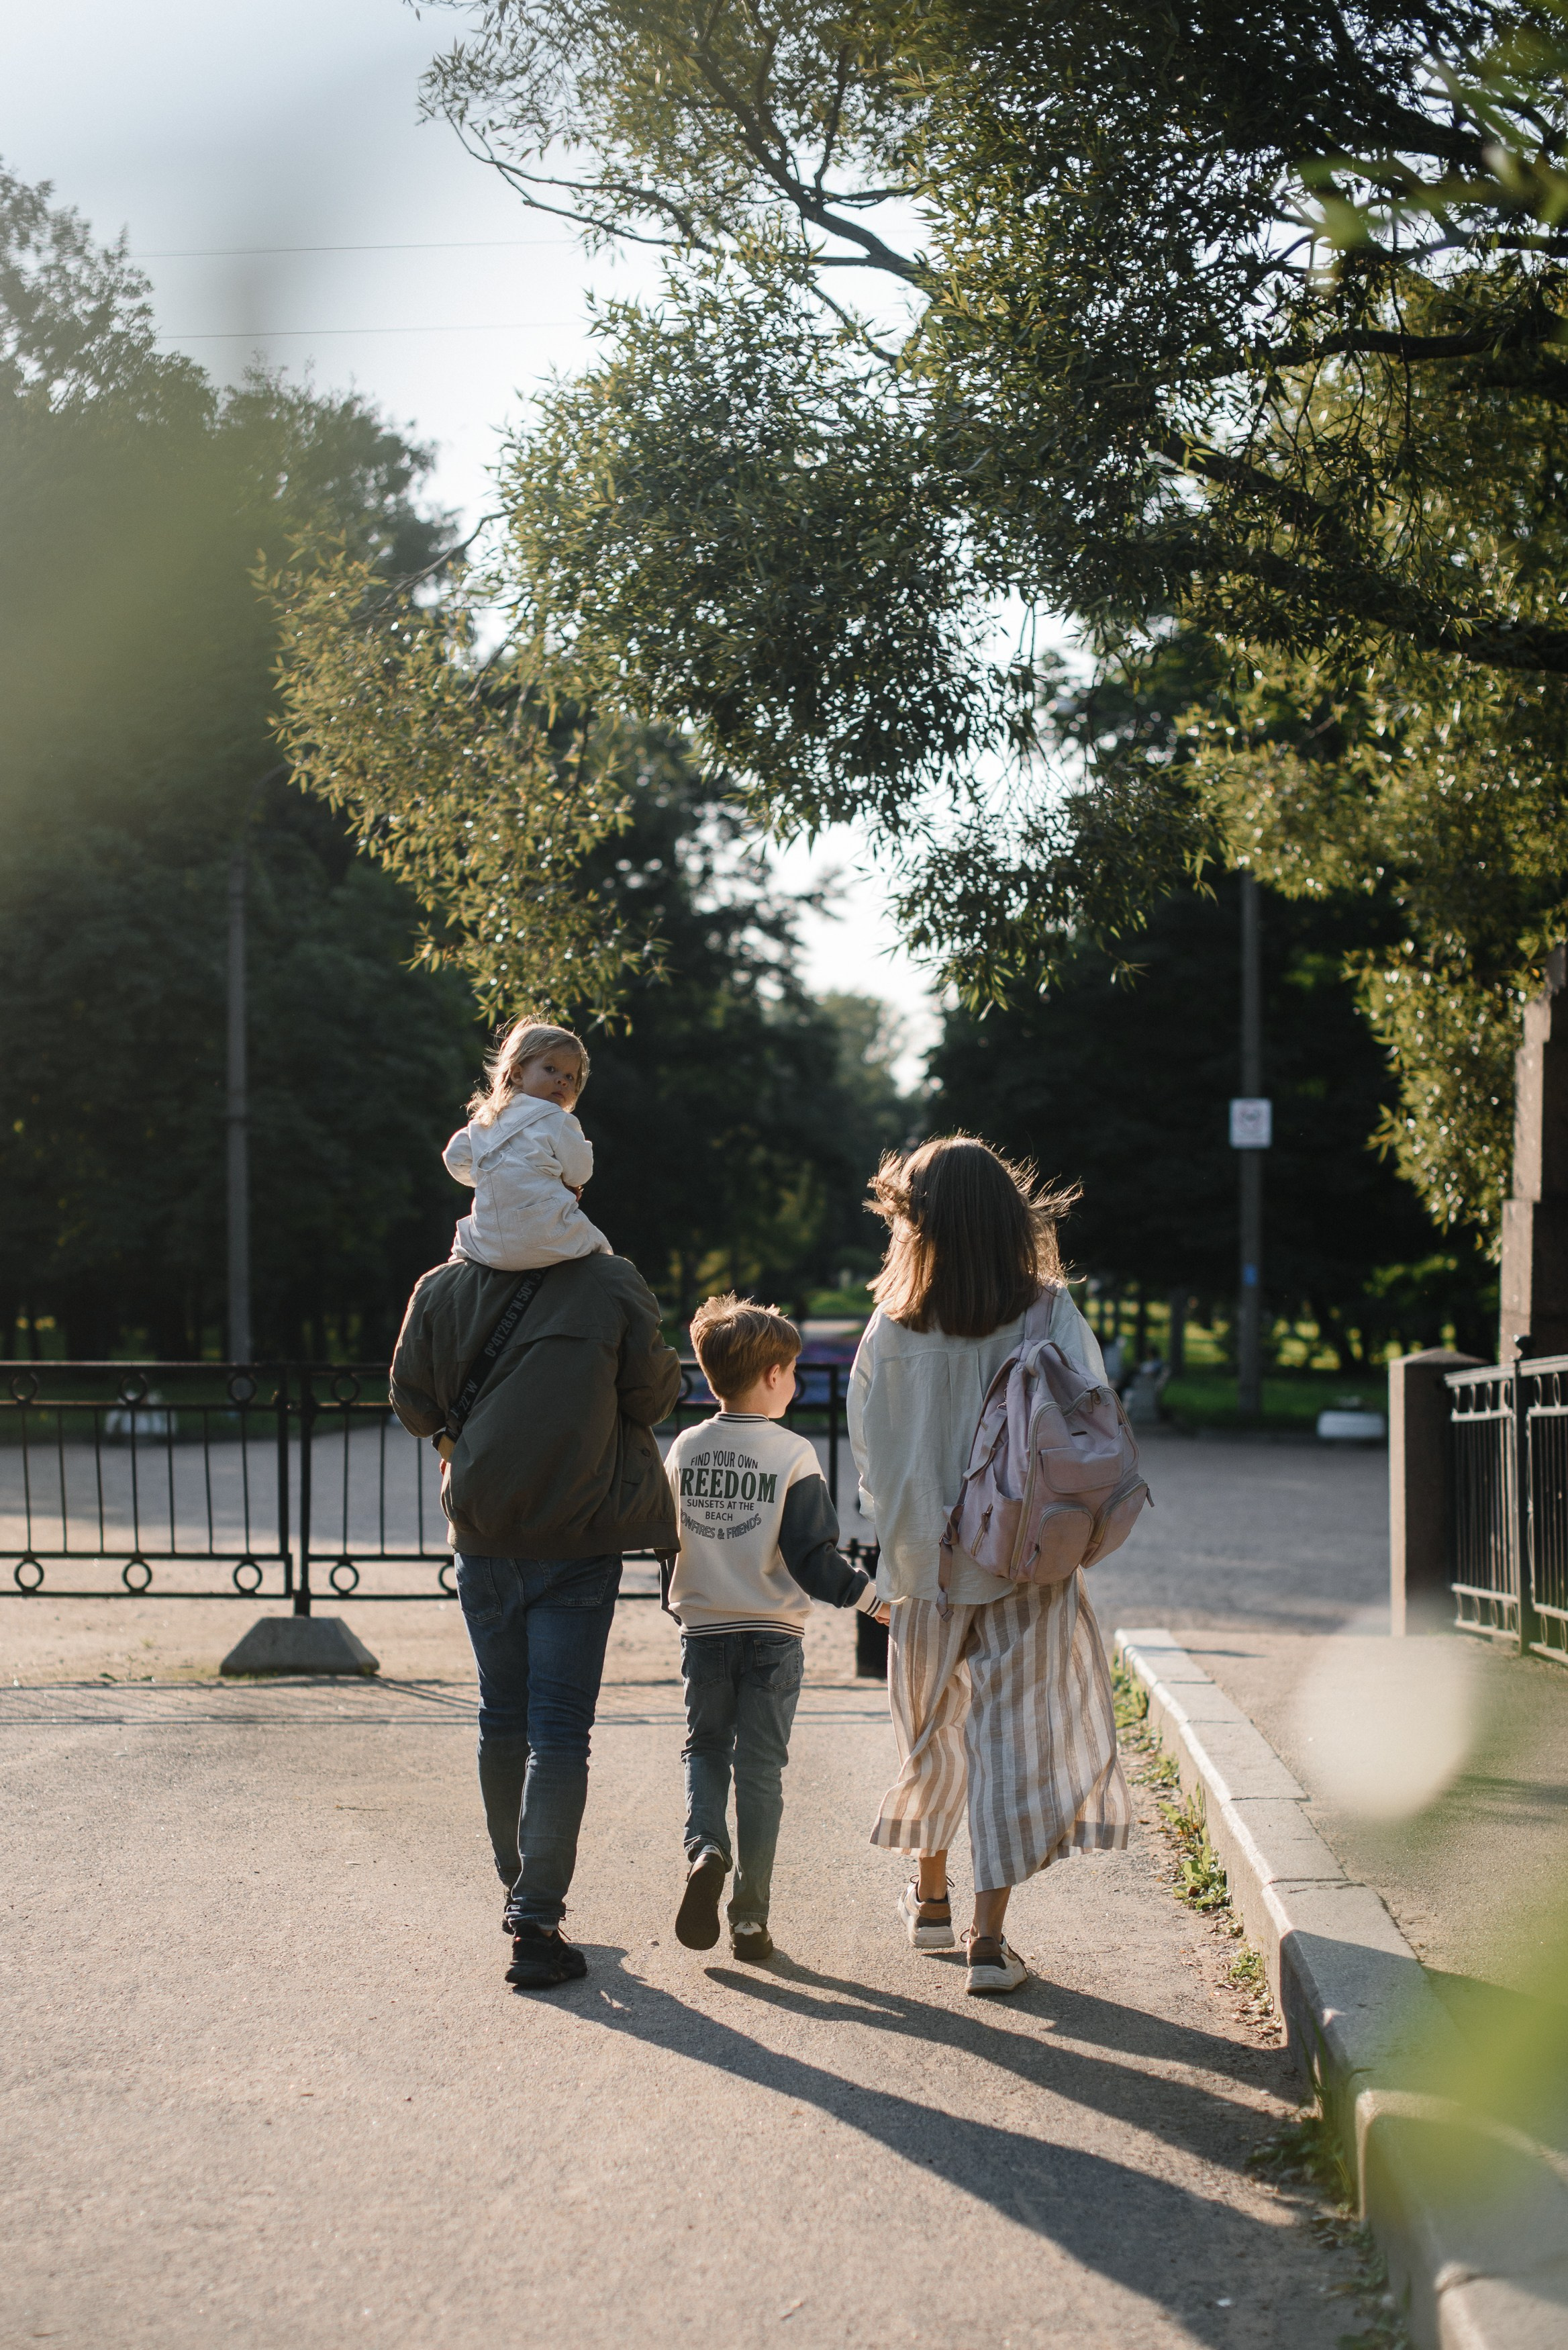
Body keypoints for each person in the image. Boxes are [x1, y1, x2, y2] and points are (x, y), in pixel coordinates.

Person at [848, 1135, 1132, 1997]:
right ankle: (987, 1940)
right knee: (1011, 1736)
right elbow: (1091, 1412)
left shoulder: (890, 1323)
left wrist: (899, 1529)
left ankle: (929, 1901)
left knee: (930, 1724)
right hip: (1025, 1556)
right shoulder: (1046, 1311)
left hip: (921, 1564)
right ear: (1010, 1216)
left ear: (918, 1221)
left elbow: (869, 1444)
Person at [391, 1203, 681, 1991]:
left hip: (483, 1533)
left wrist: (460, 1440)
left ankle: (514, 1884)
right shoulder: (611, 1281)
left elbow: (412, 1401)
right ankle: (535, 1917)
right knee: (558, 1731)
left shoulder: (441, 1286)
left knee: (501, 1714)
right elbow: (652, 1397)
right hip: (579, 1537)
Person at [665, 1294, 887, 1962]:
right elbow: (812, 1557)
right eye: (791, 1370)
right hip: (772, 1635)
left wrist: (683, 1600)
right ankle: (749, 1921)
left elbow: (664, 1537)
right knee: (760, 1770)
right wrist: (872, 1601)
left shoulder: (685, 1447)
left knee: (705, 1749)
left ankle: (706, 1847)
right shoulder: (792, 1454)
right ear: (771, 1374)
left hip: (705, 1630)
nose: (794, 1381)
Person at [441, 1018, 611, 1270]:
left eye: (570, 1076)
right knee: (599, 1247)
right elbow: (580, 1174)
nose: (562, 1081)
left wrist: (487, 1177)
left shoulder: (485, 1121)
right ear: (518, 1074)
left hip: (488, 1243)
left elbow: (454, 1157)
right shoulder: (558, 1120)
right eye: (551, 1069)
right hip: (545, 1235)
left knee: (463, 1239)